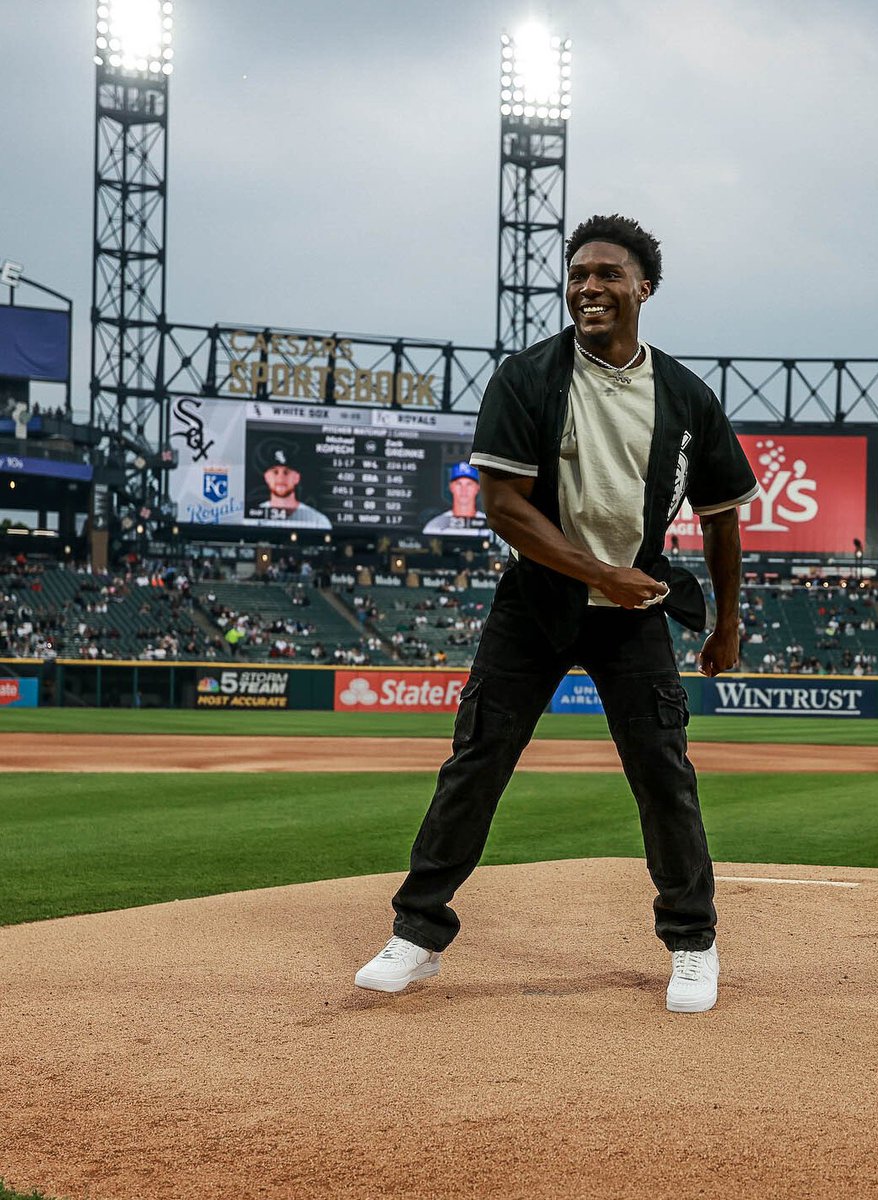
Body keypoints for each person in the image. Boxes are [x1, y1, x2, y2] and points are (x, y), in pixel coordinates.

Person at [355, 213, 759, 1013]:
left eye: (609, 274)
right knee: (476, 764)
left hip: (634, 610)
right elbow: (504, 506)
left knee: (663, 777)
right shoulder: (529, 376)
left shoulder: (683, 394)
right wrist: (597, 571)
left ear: (645, 287)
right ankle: (418, 935)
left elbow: (722, 515)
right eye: (578, 274)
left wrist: (726, 622)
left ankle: (692, 943)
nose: (589, 288)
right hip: (536, 603)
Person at [251, 444, 332, 529]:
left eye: (286, 472)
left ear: (297, 478)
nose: (280, 478)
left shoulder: (318, 521)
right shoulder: (253, 517)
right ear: (266, 477)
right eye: (275, 472)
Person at [421, 461, 490, 536]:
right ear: (451, 487)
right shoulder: (436, 525)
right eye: (459, 484)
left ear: (477, 488)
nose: (464, 490)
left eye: (469, 484)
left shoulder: (490, 526)